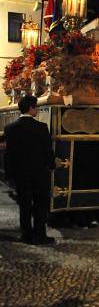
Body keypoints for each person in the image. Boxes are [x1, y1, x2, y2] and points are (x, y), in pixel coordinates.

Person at [4, 95, 56, 245]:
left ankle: (26, 234)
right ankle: (40, 235)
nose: (37, 110)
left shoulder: (10, 128)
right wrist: (51, 166)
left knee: (24, 204)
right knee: (40, 204)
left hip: (20, 174)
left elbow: (9, 154)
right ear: (32, 108)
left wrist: (9, 174)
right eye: (36, 107)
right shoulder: (41, 127)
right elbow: (48, 151)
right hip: (39, 173)